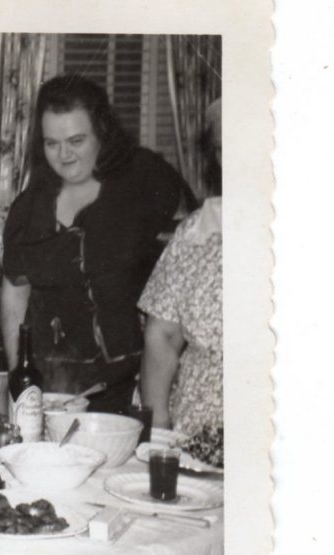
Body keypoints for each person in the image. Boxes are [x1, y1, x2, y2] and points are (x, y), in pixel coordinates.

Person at [0, 74, 189, 413]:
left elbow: (193, 246)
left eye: (76, 140)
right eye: (51, 143)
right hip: (51, 392)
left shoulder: (143, 180)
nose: (64, 155)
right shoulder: (29, 209)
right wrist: (20, 379)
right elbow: (15, 295)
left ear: (102, 132)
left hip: (129, 390)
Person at [139, 98, 223, 435]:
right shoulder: (197, 231)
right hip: (194, 438)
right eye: (221, 148)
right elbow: (163, 334)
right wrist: (158, 432)